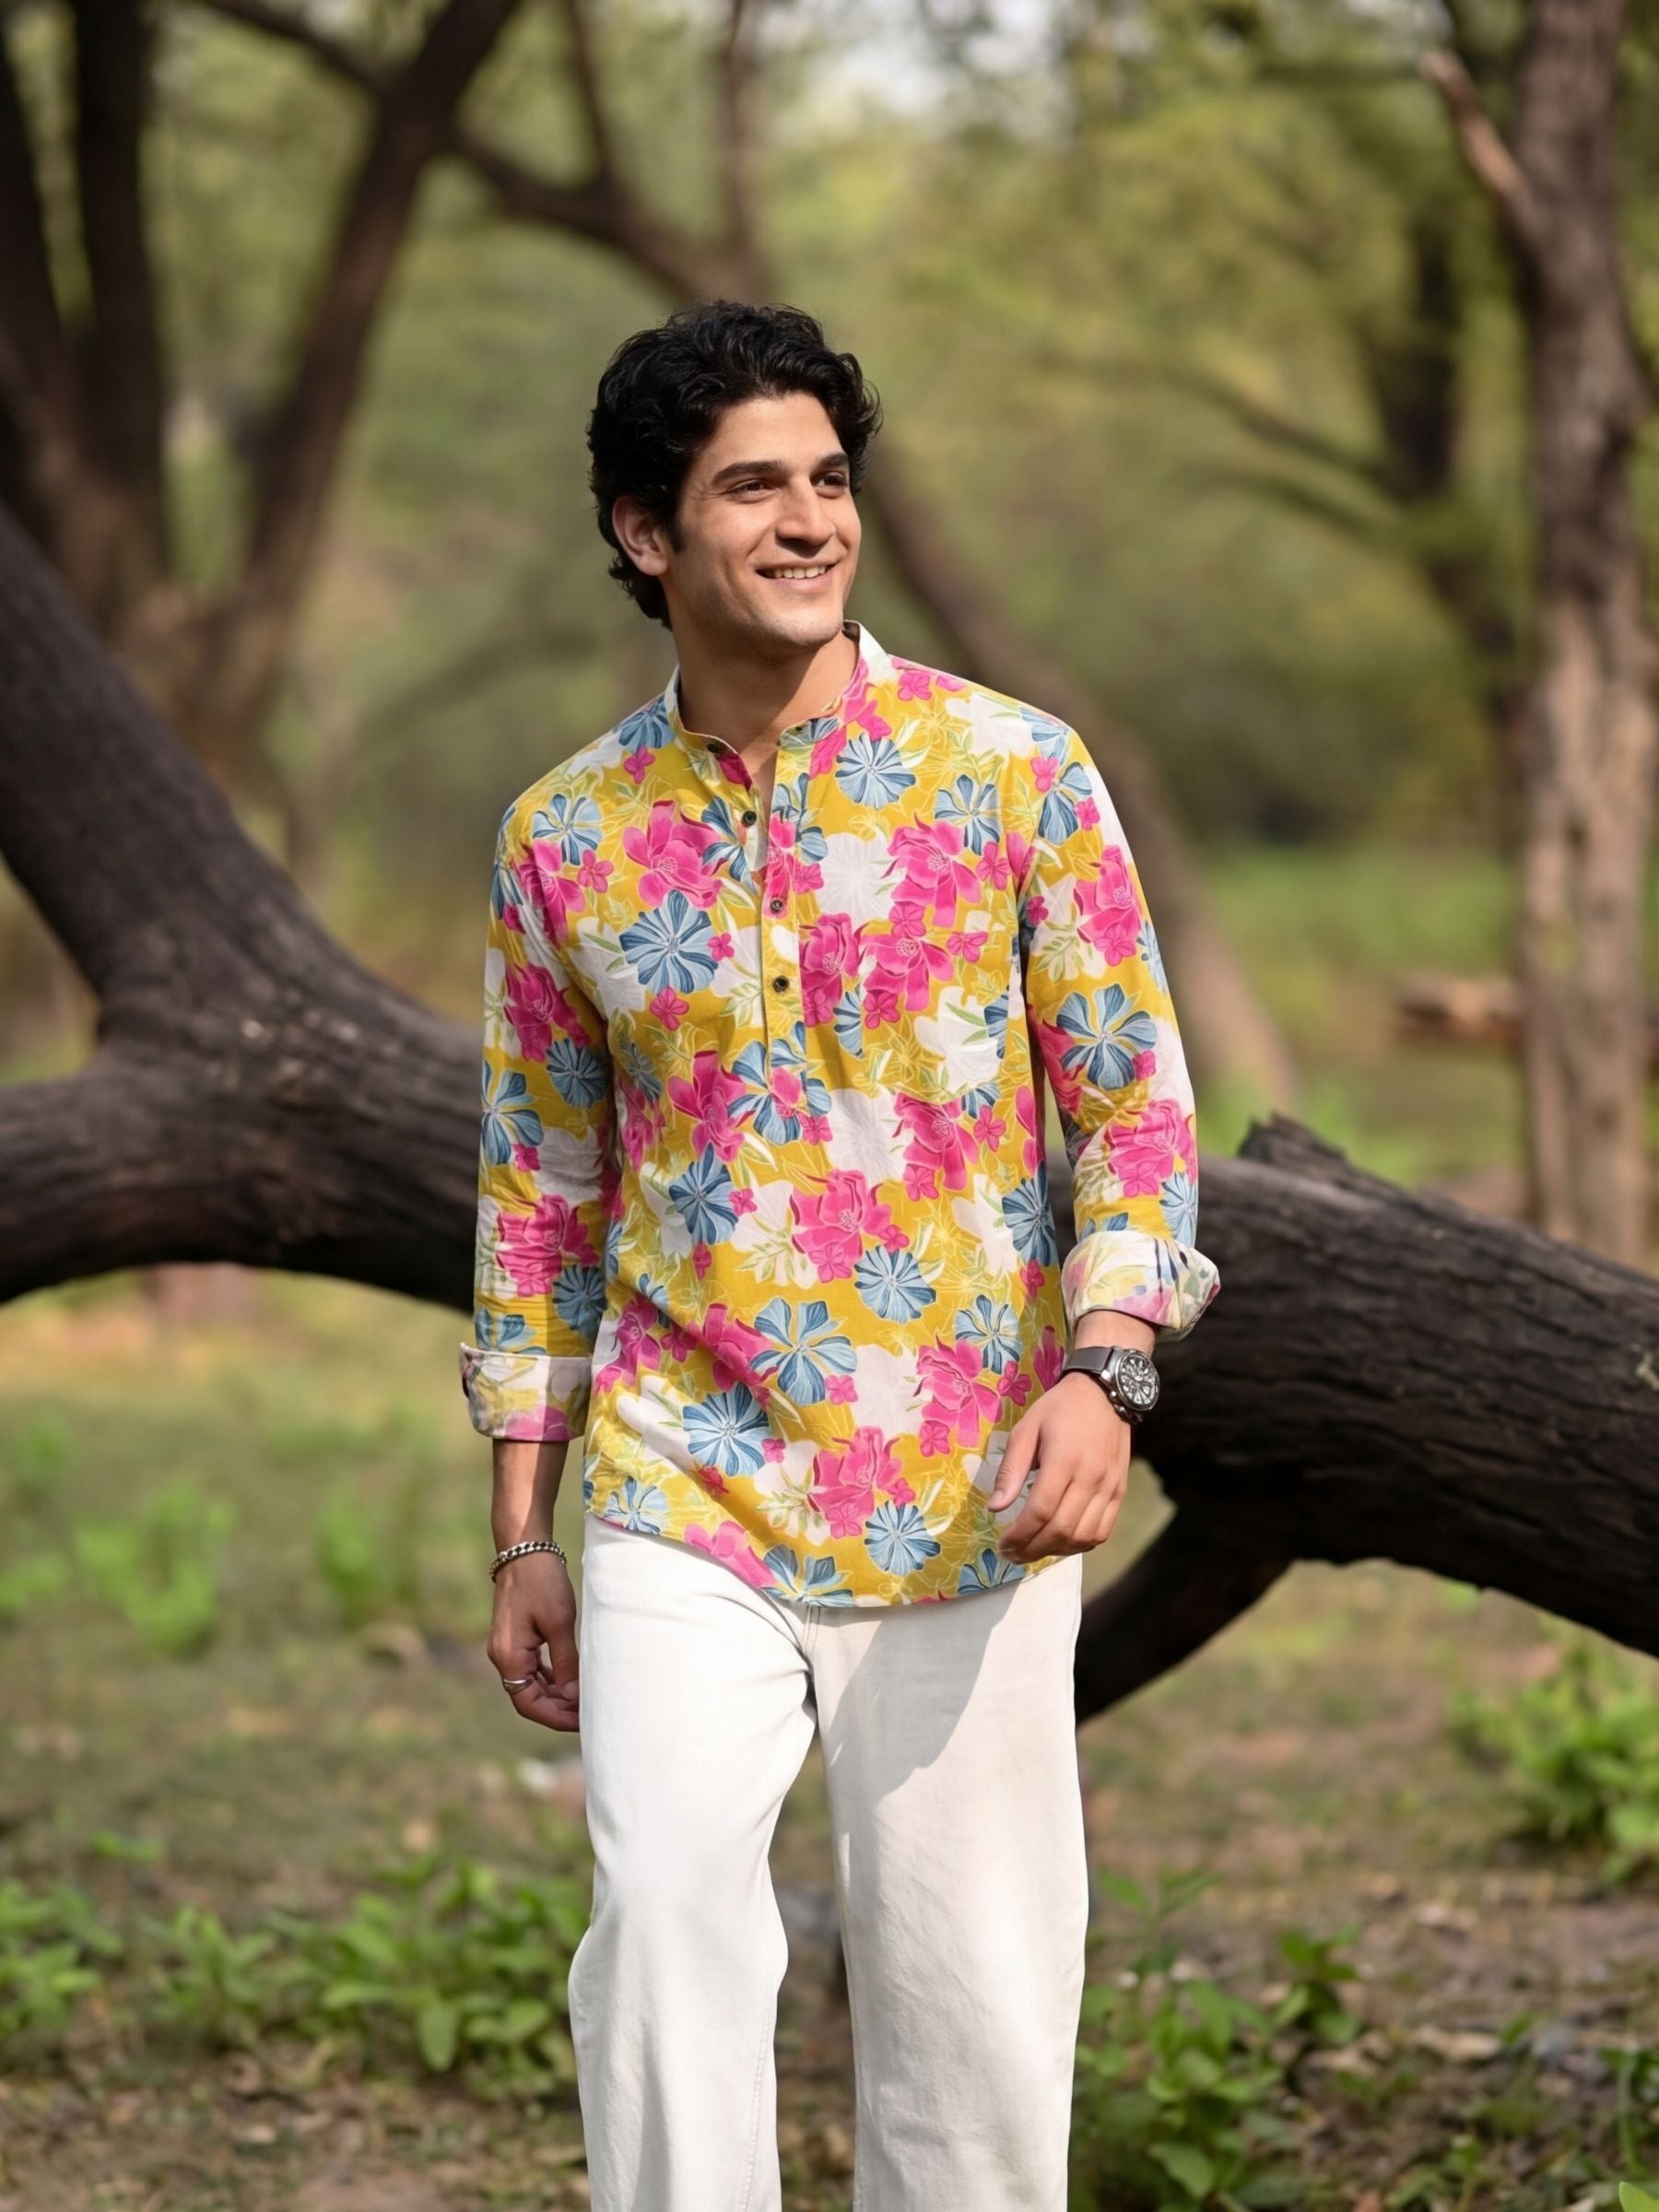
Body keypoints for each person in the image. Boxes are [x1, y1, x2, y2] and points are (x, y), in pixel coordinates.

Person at [459, 299, 1221, 2211]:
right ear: (646, 530)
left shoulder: (1013, 773)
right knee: (659, 1931)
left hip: (971, 1480)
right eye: (752, 489)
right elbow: (543, 1194)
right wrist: (523, 1529)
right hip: (683, 1477)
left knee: (975, 2021)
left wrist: (1107, 1368)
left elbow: (1133, 1104)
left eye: (827, 480)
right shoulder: (567, 838)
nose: (809, 522)